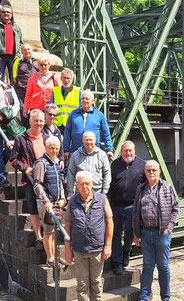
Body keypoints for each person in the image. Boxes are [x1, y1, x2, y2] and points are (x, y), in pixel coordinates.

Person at [63, 171, 113, 301]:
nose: (85, 186)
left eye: (87, 183)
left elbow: (109, 222)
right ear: (76, 185)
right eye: (81, 184)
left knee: (96, 282)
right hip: (79, 249)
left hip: (97, 248)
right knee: (82, 283)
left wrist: (108, 245)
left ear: (92, 184)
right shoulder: (72, 202)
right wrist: (67, 250)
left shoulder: (102, 199)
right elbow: (68, 226)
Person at [130, 160, 179, 301]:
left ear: (159, 172)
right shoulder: (140, 189)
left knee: (163, 266)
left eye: (154, 170)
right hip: (145, 233)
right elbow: (136, 213)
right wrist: (136, 233)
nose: (151, 173)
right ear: (145, 172)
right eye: (148, 170)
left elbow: (176, 209)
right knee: (147, 266)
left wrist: (169, 228)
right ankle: (143, 299)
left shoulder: (167, 186)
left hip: (161, 233)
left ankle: (165, 298)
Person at [10, 109, 49, 250]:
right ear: (30, 121)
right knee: (33, 209)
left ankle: (48, 235)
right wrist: (25, 168)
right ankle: (39, 237)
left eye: (41, 121)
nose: (39, 123)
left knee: (47, 205)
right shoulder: (21, 138)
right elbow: (13, 160)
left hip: (46, 177)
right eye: (36, 121)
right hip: (31, 179)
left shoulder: (46, 136)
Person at [107, 141, 146, 275]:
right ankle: (117, 262)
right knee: (116, 233)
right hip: (115, 204)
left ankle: (126, 252)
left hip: (132, 206)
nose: (128, 153)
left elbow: (146, 185)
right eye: (125, 151)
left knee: (130, 231)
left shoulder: (142, 165)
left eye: (130, 150)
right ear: (121, 152)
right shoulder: (115, 164)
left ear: (134, 151)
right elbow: (109, 182)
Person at [33, 136, 66, 265]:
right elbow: (37, 185)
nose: (54, 151)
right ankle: (50, 258)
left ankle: (55, 256)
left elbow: (60, 183)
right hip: (46, 203)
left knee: (53, 231)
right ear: (46, 148)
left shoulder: (56, 162)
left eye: (57, 148)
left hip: (56, 202)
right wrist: (45, 201)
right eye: (52, 148)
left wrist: (62, 197)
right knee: (47, 231)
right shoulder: (41, 163)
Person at [63, 90, 114, 160]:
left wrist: (109, 149)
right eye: (82, 99)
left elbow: (106, 133)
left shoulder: (99, 115)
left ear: (92, 101)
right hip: (76, 151)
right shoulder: (73, 114)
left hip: (94, 153)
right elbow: (67, 133)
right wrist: (66, 150)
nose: (84, 101)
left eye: (87, 99)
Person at [66, 131, 111, 198]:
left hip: (98, 194)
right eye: (86, 140)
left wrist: (104, 193)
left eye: (91, 140)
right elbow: (70, 174)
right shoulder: (76, 154)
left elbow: (107, 174)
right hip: (80, 195)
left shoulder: (102, 155)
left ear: (95, 140)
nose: (89, 142)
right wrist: (70, 193)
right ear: (83, 141)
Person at [0, 5, 22, 84]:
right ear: (1, 13)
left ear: (11, 14)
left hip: (13, 57)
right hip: (0, 57)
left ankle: (12, 95)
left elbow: (21, 42)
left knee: (14, 79)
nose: (6, 13)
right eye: (4, 12)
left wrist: (18, 54)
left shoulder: (16, 27)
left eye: (8, 12)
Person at [12, 43, 40, 116]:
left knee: (34, 110)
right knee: (23, 109)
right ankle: (25, 126)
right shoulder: (18, 62)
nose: (27, 51)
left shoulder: (38, 61)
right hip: (22, 90)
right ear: (22, 52)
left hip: (34, 90)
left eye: (28, 49)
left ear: (32, 50)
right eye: (24, 50)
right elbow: (14, 76)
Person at [42, 104, 64, 169]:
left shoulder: (57, 130)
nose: (52, 117)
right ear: (45, 114)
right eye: (50, 114)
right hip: (44, 160)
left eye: (54, 115)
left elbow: (61, 146)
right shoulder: (41, 128)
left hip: (55, 160)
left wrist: (62, 159)